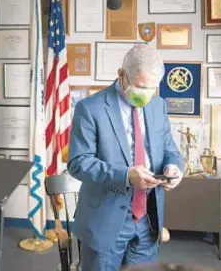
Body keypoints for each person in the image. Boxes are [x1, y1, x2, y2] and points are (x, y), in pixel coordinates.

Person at [67, 44, 185, 270]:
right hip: (105, 220)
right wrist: (126, 175)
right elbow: (78, 162)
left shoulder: (158, 106)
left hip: (148, 220)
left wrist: (173, 167)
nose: (146, 95)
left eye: (152, 88)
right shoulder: (91, 109)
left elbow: (170, 150)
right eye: (141, 87)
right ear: (122, 75)